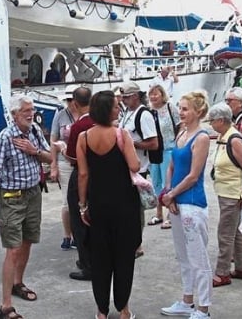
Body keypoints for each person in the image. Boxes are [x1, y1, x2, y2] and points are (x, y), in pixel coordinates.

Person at [0, 95, 57, 319]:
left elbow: (49, 158)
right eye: (25, 110)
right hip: (12, 197)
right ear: (14, 114)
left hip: (33, 193)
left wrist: (32, 150)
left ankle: (18, 283)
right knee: (13, 249)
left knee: (27, 242)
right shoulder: (4, 138)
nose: (30, 113)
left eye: (32, 109)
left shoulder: (34, 132)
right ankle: (6, 306)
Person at [77, 90, 141, 319]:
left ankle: (101, 311)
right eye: (115, 106)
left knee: (100, 258)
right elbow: (134, 166)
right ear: (107, 110)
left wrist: (82, 205)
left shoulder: (83, 137)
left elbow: (83, 175)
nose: (119, 108)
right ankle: (123, 308)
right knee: (124, 257)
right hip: (124, 203)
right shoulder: (121, 134)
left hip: (98, 202)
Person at [160, 91, 212, 319]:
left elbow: (193, 176)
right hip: (177, 201)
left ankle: (204, 308)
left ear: (198, 111)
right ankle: (187, 300)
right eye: (180, 108)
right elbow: (171, 166)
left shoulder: (201, 137)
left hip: (192, 202)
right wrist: (168, 192)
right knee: (183, 256)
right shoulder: (182, 132)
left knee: (198, 257)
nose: (181, 112)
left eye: (185, 109)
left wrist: (171, 194)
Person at [208, 103, 242, 288]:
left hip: (232, 192)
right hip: (228, 191)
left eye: (212, 121)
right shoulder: (224, 136)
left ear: (220, 120)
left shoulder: (233, 139)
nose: (210, 124)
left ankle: (222, 272)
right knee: (234, 232)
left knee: (225, 233)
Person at [118, 81, 159, 257]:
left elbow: (153, 143)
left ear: (135, 96)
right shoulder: (127, 112)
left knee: (135, 209)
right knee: (127, 208)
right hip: (126, 167)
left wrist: (130, 144)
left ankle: (137, 244)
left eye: (126, 97)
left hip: (138, 169)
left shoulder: (143, 115)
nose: (124, 100)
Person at [64, 86, 96, 281]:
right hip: (101, 175)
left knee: (79, 218)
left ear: (75, 103)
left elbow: (72, 158)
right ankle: (93, 260)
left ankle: (87, 263)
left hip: (82, 173)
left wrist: (60, 149)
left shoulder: (79, 127)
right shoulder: (102, 123)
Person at [50, 86, 79, 252]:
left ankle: (78, 233)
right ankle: (68, 234)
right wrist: (53, 164)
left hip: (80, 160)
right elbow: (53, 139)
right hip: (64, 161)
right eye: (67, 100)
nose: (70, 103)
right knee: (67, 200)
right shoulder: (60, 115)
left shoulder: (84, 114)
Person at [147, 83, 181, 230]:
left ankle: (170, 214)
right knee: (156, 182)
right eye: (151, 94)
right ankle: (159, 213)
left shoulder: (170, 107)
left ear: (162, 95)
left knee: (168, 181)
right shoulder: (148, 111)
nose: (154, 96)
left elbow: (180, 124)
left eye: (157, 93)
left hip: (169, 148)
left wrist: (178, 141)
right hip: (154, 151)